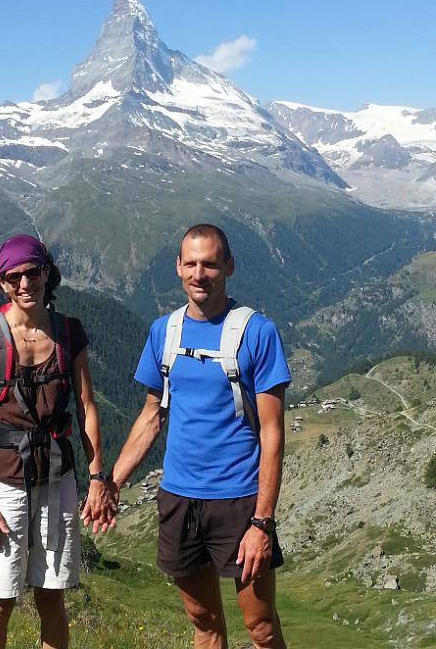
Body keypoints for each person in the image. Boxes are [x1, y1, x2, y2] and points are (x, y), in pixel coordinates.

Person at [105, 223, 290, 649]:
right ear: (177, 267)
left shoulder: (258, 332)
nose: (199, 273)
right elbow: (152, 415)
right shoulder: (163, 332)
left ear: (229, 267)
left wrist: (263, 520)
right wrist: (111, 481)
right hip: (178, 498)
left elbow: (273, 432)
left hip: (239, 501)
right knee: (203, 622)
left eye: (209, 264)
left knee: (260, 627)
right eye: (191, 263)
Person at [0, 234, 113, 649]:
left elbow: (86, 405)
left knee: (52, 597)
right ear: (2, 284)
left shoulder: (70, 333)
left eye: (32, 273)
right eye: (14, 278)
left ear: (47, 273)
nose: (25, 284)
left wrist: (97, 476)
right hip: (5, 483)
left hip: (57, 478)